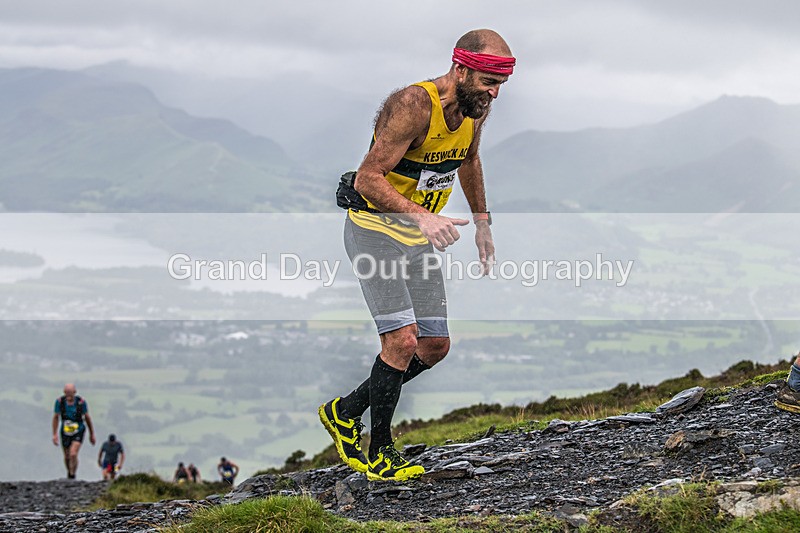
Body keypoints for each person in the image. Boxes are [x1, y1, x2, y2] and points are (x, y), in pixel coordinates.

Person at [319, 29, 514, 481]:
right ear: (461, 68)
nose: (494, 93)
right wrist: (421, 216)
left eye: (500, 84)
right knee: (402, 341)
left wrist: (483, 222)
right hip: (375, 232)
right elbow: (368, 177)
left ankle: (344, 412)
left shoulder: (474, 108)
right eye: (488, 81)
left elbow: (469, 161)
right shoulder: (413, 105)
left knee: (434, 345)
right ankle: (380, 453)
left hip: (416, 239)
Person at [52, 383, 96, 479]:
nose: (68, 395)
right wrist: (54, 434)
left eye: (70, 393)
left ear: (74, 392)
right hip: (65, 431)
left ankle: (72, 474)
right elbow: (56, 417)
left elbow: (87, 418)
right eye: (66, 392)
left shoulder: (81, 402)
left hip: (78, 429)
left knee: (73, 453)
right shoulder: (60, 402)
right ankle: (69, 472)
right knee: (67, 456)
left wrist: (92, 434)